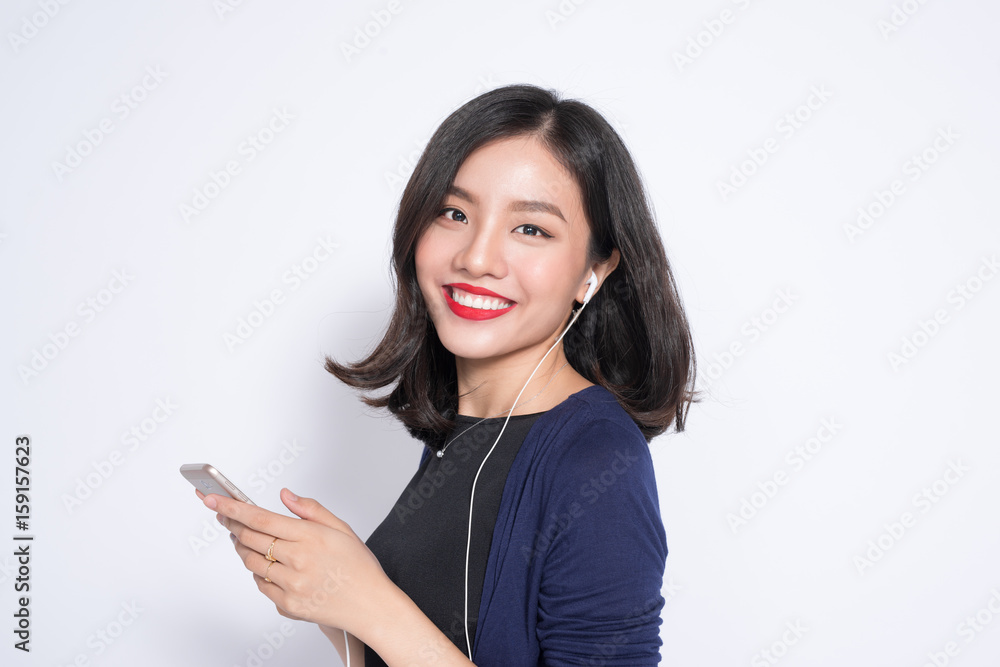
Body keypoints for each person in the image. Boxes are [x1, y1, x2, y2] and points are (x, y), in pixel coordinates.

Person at [197, 83, 696, 666]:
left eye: (530, 228)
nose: (477, 258)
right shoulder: (464, 431)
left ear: (595, 269)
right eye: (454, 214)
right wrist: (332, 597)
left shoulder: (596, 458)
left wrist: (370, 602)